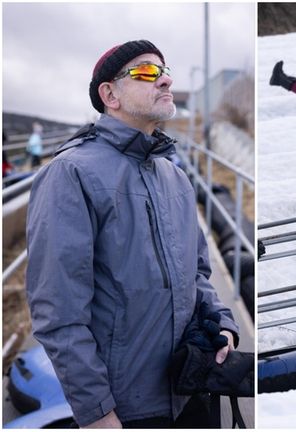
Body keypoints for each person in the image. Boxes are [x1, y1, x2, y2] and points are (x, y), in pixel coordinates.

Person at [25, 40, 240, 428]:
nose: (165, 80)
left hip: (191, 389)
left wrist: (223, 323)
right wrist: (97, 412)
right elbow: (58, 310)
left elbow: (197, 273)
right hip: (128, 409)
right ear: (110, 94)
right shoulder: (71, 174)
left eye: (165, 71)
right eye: (146, 72)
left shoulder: (174, 177)